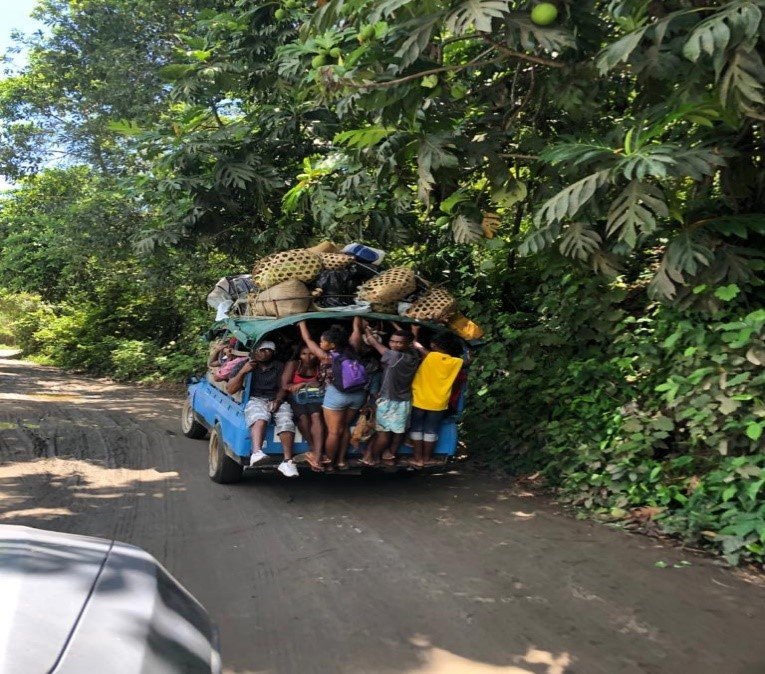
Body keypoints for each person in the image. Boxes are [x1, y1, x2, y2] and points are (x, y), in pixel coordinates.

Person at [298, 318, 365, 470]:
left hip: (338, 394)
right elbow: (356, 331)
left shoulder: (327, 357)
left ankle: (330, 462)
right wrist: (357, 318)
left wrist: (302, 324)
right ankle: (341, 461)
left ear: (332, 345)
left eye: (323, 341)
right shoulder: (354, 349)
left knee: (334, 432)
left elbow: (308, 340)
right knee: (344, 427)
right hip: (358, 394)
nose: (320, 343)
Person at [226, 340, 299, 478]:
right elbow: (230, 389)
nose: (264, 353)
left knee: (286, 420)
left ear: (273, 353)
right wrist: (243, 371)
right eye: (261, 350)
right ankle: (257, 453)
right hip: (255, 398)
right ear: (254, 351)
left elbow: (283, 386)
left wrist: (278, 400)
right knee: (259, 417)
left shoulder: (279, 366)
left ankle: (287, 461)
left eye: (268, 350)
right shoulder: (244, 364)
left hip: (275, 398)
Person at [360, 325, 420, 467]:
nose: (394, 344)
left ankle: (372, 457)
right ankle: (389, 454)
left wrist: (365, 328)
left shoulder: (394, 356)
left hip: (388, 401)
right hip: (404, 400)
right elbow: (412, 342)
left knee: (383, 434)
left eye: (399, 342)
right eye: (392, 341)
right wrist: (414, 331)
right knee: (398, 432)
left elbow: (373, 342)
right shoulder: (414, 355)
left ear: (407, 344)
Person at [409, 327, 465, 468]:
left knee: (416, 428)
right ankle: (427, 458)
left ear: (435, 345)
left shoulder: (430, 356)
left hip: (419, 399)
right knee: (431, 430)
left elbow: (415, 344)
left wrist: (414, 331)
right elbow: (468, 360)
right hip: (438, 402)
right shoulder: (457, 362)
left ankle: (417, 458)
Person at [282, 344, 325, 472]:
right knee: (303, 417)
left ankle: (317, 455)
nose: (308, 357)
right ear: (299, 355)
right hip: (295, 397)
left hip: (314, 396)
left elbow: (322, 383)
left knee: (316, 416)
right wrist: (301, 385)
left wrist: (303, 384)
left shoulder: (320, 365)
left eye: (311, 354)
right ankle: (313, 448)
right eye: (304, 354)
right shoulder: (294, 364)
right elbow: (285, 385)